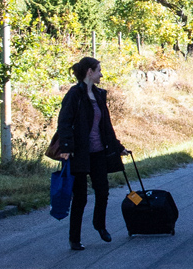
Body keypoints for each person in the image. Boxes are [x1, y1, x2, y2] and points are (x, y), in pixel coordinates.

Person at [57, 56, 128, 251]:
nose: (101, 74)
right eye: (98, 70)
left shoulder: (99, 95)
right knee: (80, 198)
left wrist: (117, 146)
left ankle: (100, 225)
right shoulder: (74, 94)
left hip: (98, 153)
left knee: (103, 191)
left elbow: (106, 126)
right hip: (79, 154)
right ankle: (74, 239)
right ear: (89, 72)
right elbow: (64, 122)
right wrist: (66, 148)